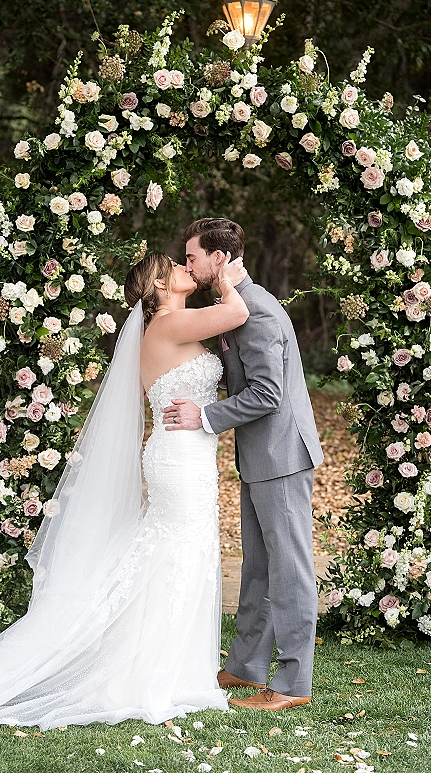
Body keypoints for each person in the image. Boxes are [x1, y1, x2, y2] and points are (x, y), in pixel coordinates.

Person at [0, 251, 248, 733]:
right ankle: (145, 673)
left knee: (179, 552)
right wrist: (230, 279)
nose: (184, 269)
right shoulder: (169, 325)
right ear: (158, 284)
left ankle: (165, 665)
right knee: (176, 551)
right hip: (178, 456)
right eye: (174, 265)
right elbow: (236, 313)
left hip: (186, 452)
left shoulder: (169, 325)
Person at [163, 217, 324, 712]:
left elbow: (268, 394)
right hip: (259, 457)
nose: (187, 265)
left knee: (290, 569)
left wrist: (205, 415)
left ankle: (294, 683)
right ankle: (246, 666)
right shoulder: (236, 307)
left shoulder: (258, 311)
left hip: (282, 457)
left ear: (218, 258)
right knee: (257, 566)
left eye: (192, 257)